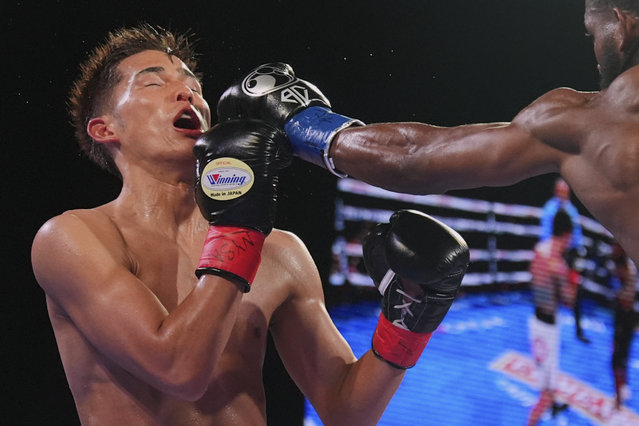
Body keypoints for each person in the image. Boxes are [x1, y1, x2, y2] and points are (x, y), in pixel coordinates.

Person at [30, 25, 469, 425]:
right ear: (105, 129)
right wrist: (240, 226)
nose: (187, 93)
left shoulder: (280, 252)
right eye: (153, 82)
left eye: (193, 85)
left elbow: (345, 411)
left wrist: (409, 318)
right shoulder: (74, 239)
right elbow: (178, 369)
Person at [215, 0, 639, 269]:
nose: (594, 50)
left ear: (619, 27)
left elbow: (417, 158)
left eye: (593, 33)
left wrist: (300, 119)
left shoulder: (592, 122)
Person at [526, 210, 575, 425]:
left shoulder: (539, 250)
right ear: (567, 234)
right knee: (546, 390)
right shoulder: (559, 265)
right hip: (548, 328)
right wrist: (574, 280)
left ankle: (554, 405)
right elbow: (568, 300)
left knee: (548, 376)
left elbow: (534, 280)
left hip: (535, 320)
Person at [540, 178, 590, 343]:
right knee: (549, 292)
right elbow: (545, 234)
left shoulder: (571, 209)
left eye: (566, 192)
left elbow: (576, 234)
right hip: (552, 255)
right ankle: (546, 328)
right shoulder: (550, 209)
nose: (563, 195)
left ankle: (578, 329)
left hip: (569, 255)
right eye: (561, 191)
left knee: (574, 292)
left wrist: (579, 253)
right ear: (556, 192)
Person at [609, 240, 638, 409]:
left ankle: (619, 398)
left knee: (617, 359)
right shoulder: (622, 264)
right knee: (620, 357)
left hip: (625, 317)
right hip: (623, 316)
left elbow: (626, 299)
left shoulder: (626, 267)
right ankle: (622, 389)